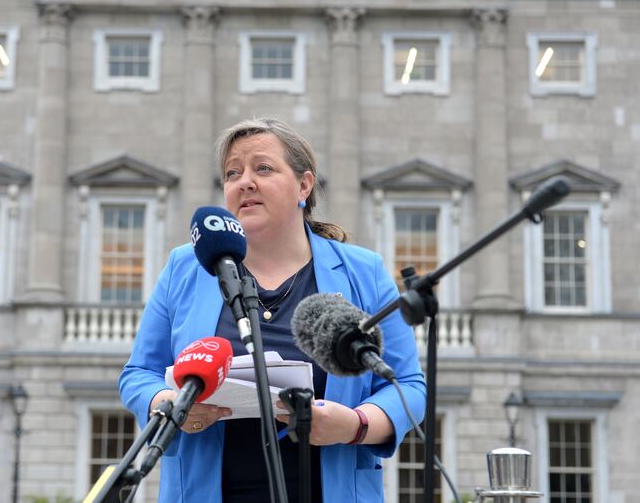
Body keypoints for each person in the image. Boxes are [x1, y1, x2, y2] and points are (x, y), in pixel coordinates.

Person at [119, 117, 426, 502]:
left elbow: (408, 387)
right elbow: (138, 375)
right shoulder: (186, 267)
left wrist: (354, 425)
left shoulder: (363, 272)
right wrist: (169, 404)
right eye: (233, 173)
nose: (244, 181)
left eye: (263, 168)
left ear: (304, 185)